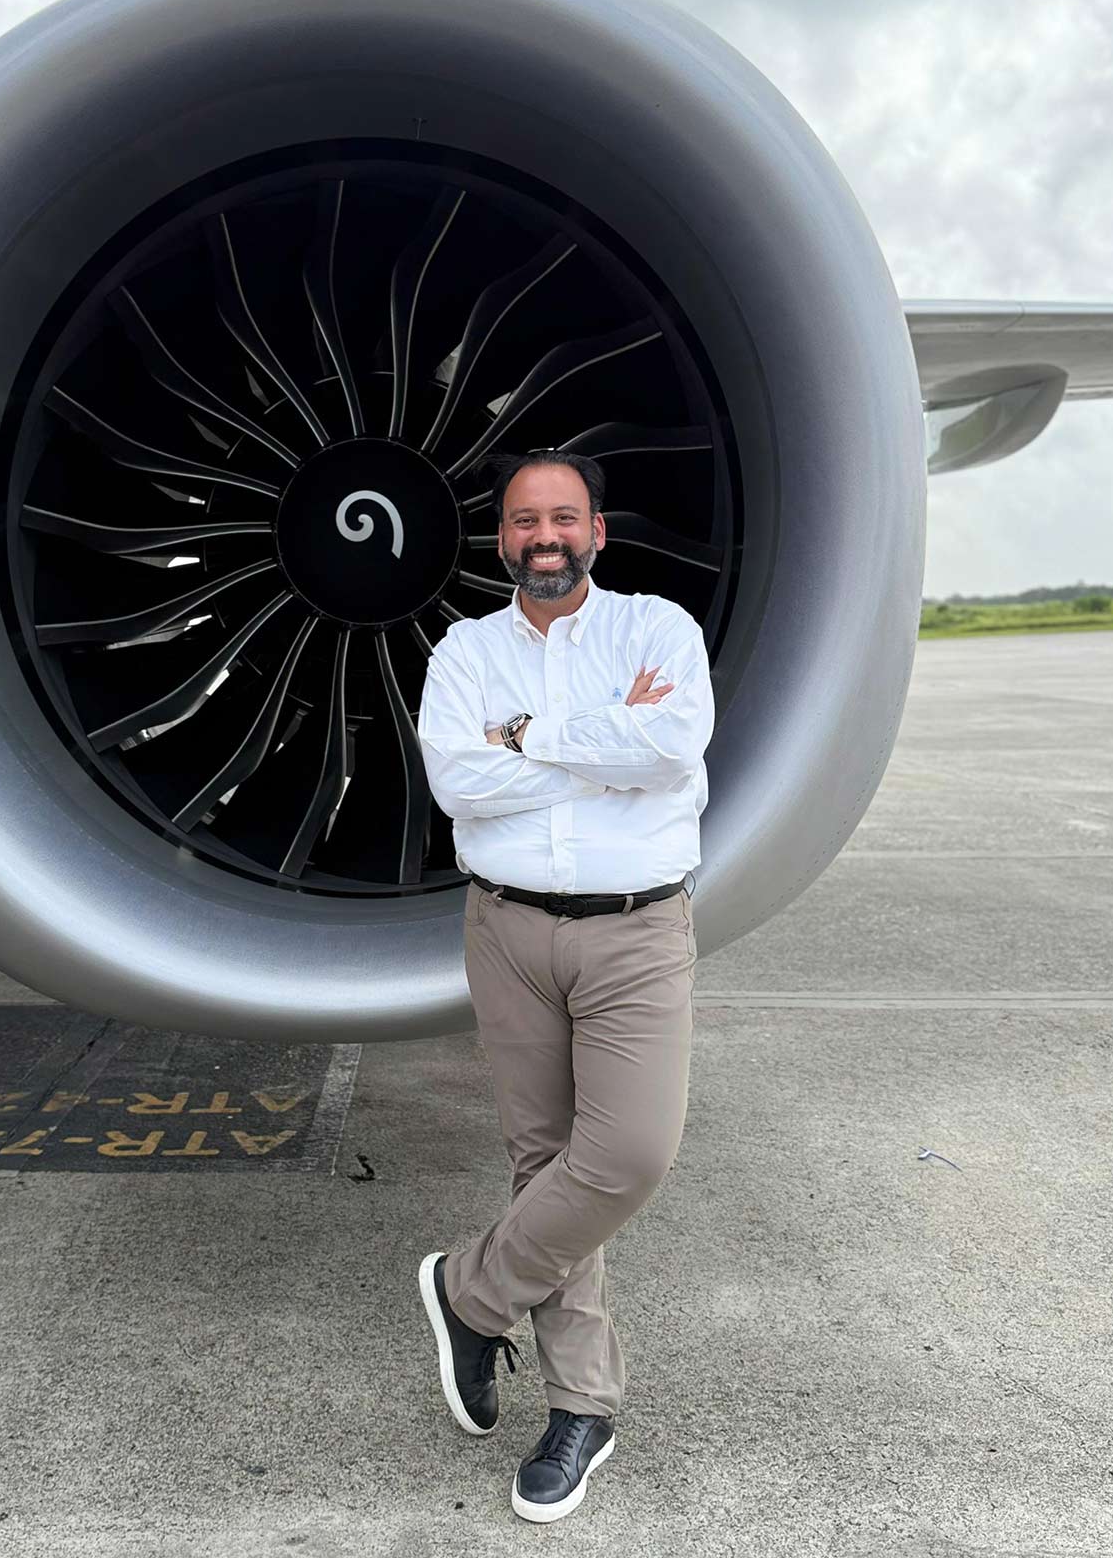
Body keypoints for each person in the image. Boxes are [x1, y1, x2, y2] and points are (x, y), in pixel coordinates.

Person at [414, 446, 713, 1524]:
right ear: (502, 540)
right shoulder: (464, 649)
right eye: (525, 521)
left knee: (629, 1153)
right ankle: (583, 1408)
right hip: (507, 929)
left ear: (598, 531)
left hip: (636, 932)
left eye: (565, 518)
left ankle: (471, 1293)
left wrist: (527, 737)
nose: (546, 537)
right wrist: (601, 743)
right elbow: (459, 780)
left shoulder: (657, 631)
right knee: (544, 1163)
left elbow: (673, 745)